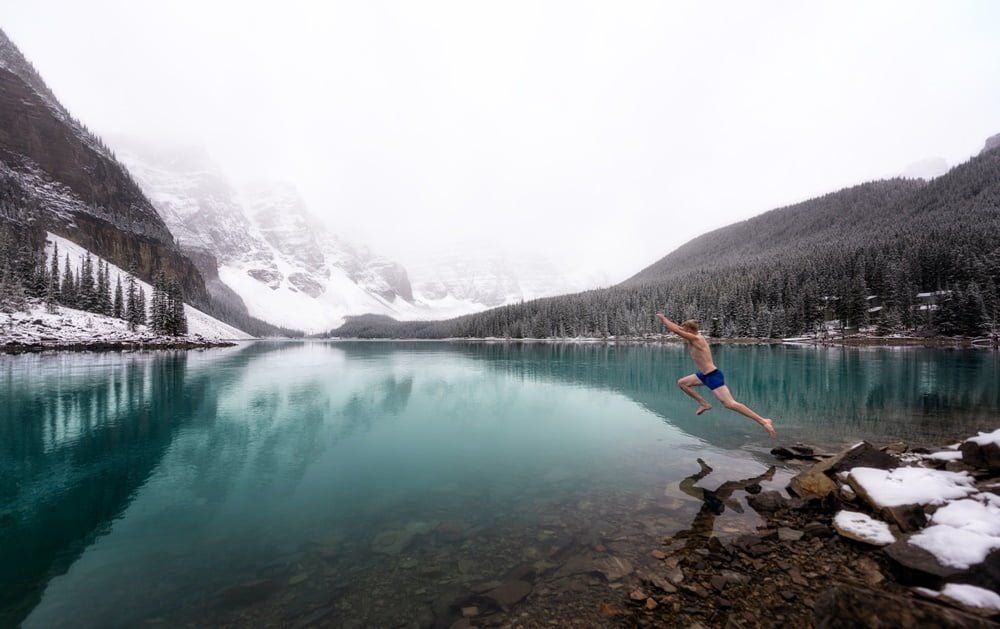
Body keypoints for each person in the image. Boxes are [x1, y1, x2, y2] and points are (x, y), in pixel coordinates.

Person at [656, 313, 776, 438]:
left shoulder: (696, 339)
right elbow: (679, 328)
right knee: (682, 383)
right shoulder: (694, 335)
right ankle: (704, 403)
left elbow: (675, 330)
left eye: (685, 330)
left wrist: (663, 319)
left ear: (690, 330)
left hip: (713, 376)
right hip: (704, 375)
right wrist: (669, 321)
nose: (683, 332)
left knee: (730, 403)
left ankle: (763, 421)